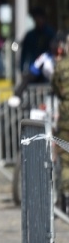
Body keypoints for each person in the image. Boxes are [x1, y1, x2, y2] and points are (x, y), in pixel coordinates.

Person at [50, 31, 69, 212]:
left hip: (65, 116)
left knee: (65, 157)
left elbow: (55, 87)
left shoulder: (61, 66)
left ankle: (65, 200)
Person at [18, 6, 55, 80]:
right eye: (36, 18)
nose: (38, 21)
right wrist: (22, 70)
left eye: (39, 18)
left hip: (48, 69)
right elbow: (24, 53)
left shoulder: (50, 33)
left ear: (44, 19)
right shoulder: (30, 35)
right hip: (34, 69)